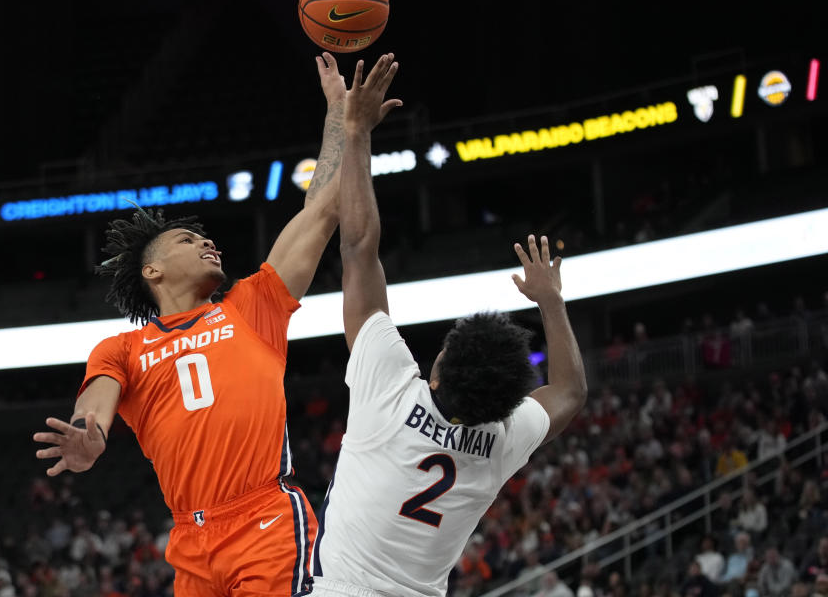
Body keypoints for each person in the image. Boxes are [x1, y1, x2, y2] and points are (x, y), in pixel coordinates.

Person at [32, 52, 395, 597]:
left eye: (204, 237)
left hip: (264, 521)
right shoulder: (121, 348)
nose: (206, 240)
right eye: (186, 240)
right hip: (190, 543)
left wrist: (341, 120)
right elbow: (95, 406)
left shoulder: (253, 305)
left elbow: (322, 210)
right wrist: (90, 438)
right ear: (152, 269)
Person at [308, 57, 587, 597]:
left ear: (437, 369)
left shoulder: (388, 387)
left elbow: (359, 247)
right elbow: (570, 392)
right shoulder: (504, 438)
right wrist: (552, 304)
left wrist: (355, 127)